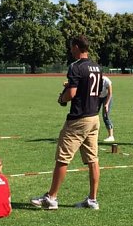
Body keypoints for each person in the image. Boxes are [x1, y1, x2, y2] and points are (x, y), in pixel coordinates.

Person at [31, 35, 103, 210]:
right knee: (93, 160)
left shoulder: (75, 66)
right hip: (94, 117)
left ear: (77, 47)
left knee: (62, 158)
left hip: (78, 119)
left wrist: (61, 98)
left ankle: (51, 198)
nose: (70, 50)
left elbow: (71, 94)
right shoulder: (97, 67)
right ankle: (92, 200)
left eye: (72, 47)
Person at [99, 75, 115, 142]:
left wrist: (107, 104)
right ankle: (93, 135)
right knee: (93, 115)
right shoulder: (93, 79)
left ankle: (111, 136)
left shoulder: (106, 80)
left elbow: (110, 93)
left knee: (106, 116)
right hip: (97, 97)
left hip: (107, 97)